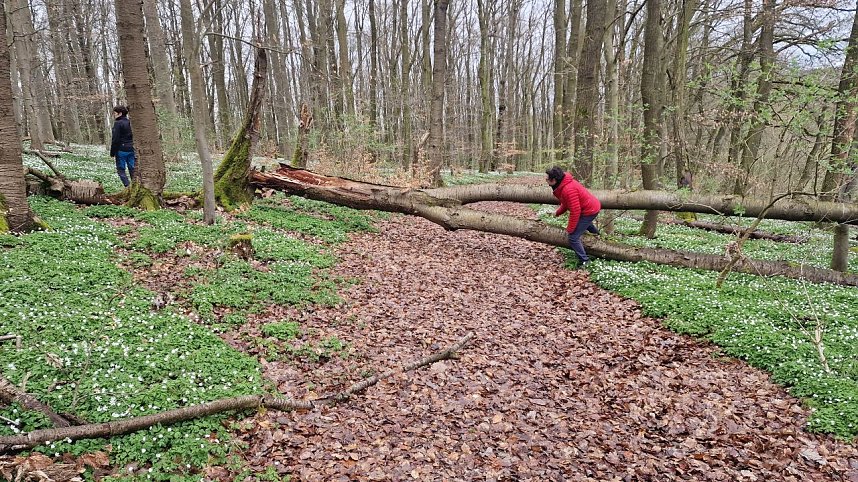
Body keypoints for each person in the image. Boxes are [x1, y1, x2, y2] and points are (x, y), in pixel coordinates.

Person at [545, 166, 601, 266]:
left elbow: (575, 211)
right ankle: (598, 236)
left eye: (548, 178)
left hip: (590, 210)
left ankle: (585, 261)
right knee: (586, 224)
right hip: (589, 208)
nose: (546, 179)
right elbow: (566, 203)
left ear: (554, 180)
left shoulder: (568, 189)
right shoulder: (563, 185)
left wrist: (570, 229)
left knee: (573, 238)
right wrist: (557, 213)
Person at [110, 105, 135, 187]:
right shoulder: (130, 122)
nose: (114, 115)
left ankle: (128, 186)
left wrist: (112, 152)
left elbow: (115, 139)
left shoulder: (118, 123)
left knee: (121, 169)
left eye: (115, 113)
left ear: (120, 113)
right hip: (131, 149)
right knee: (132, 168)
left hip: (121, 150)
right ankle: (135, 186)